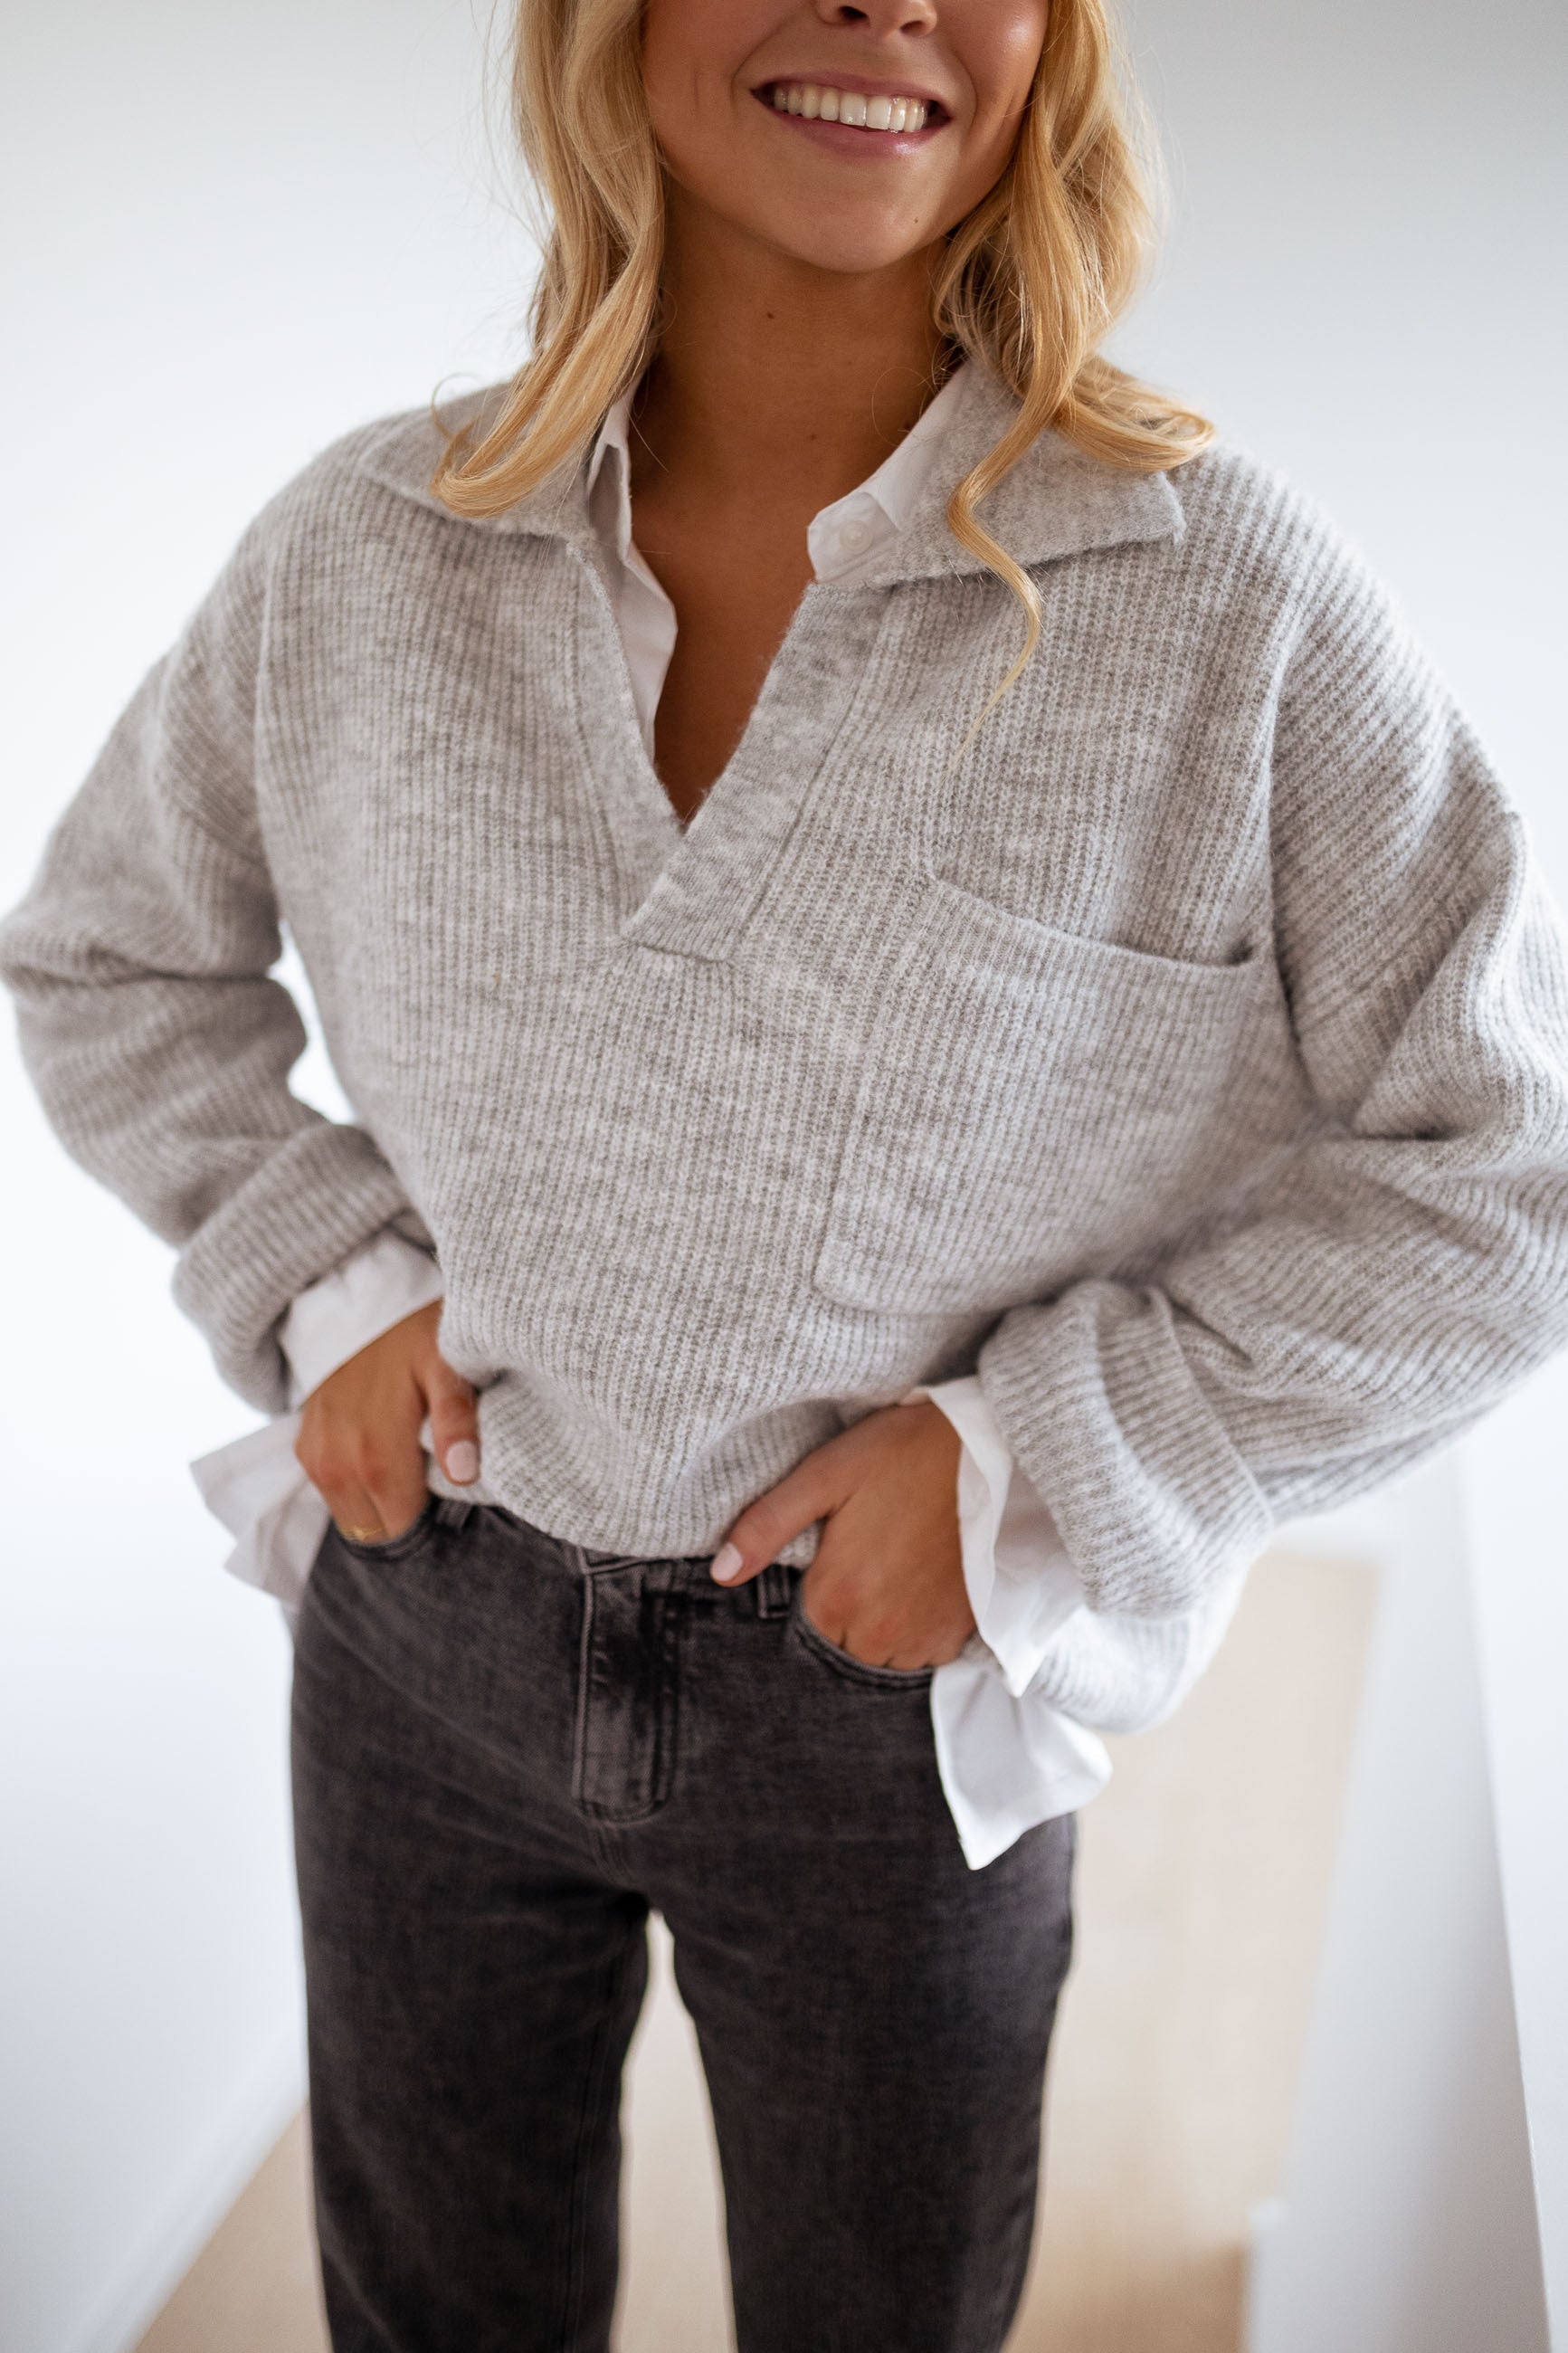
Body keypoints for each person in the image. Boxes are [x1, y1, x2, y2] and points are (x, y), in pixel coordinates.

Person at [6, 0, 1568, 2346]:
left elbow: (1514, 1163)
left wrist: (1046, 1449)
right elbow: (109, 959)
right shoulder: (363, 556)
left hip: (894, 1719)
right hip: (419, 1629)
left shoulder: (1224, 603)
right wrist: (327, 1283)